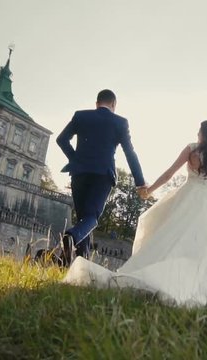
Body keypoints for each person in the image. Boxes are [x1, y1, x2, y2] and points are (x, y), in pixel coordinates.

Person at [63, 120, 207, 312]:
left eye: (199, 131)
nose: (197, 134)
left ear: (203, 134)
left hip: (188, 196)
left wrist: (148, 190)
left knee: (172, 238)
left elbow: (169, 173)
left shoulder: (192, 149)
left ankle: (160, 278)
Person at [56, 89, 147, 266]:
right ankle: (71, 237)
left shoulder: (81, 116)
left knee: (84, 220)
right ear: (114, 105)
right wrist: (140, 182)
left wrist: (75, 159)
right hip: (102, 175)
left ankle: (77, 264)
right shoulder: (120, 122)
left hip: (79, 172)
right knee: (91, 218)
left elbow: (61, 139)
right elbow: (130, 153)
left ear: (97, 103)